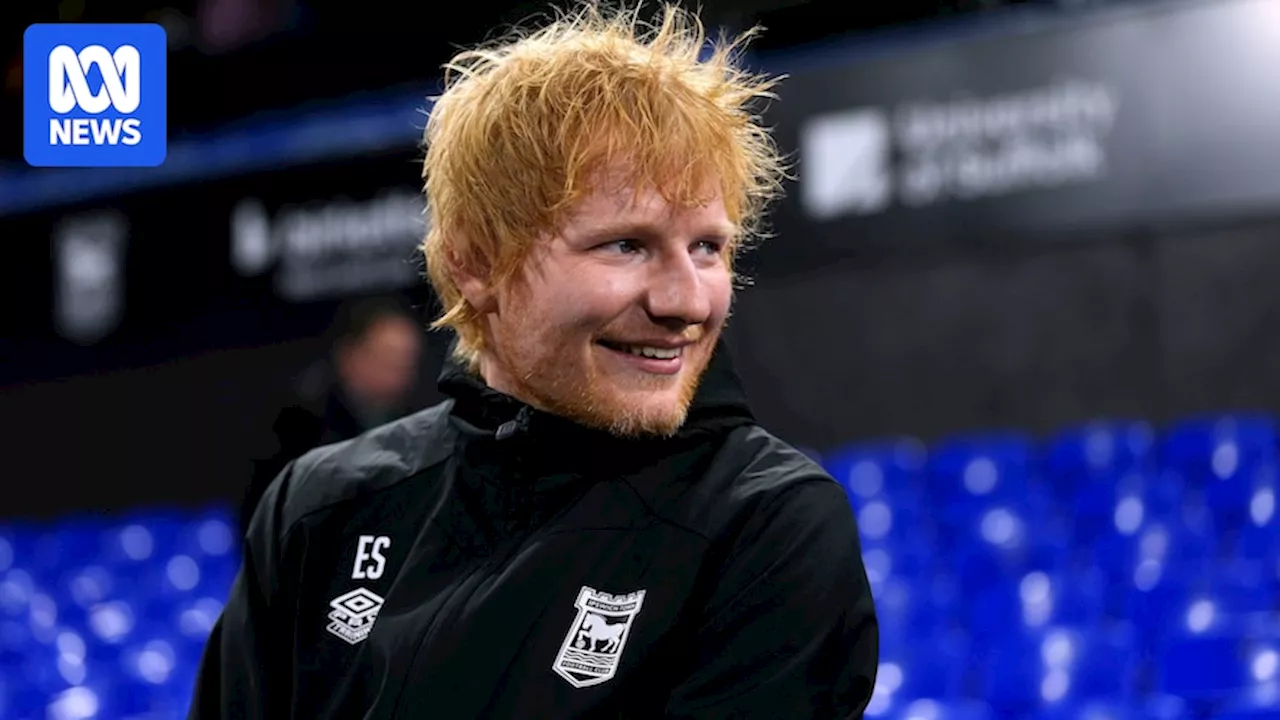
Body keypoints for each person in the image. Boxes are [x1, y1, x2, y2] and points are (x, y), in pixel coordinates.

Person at [191, 4, 878, 718]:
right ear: (477, 265)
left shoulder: (770, 527)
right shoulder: (320, 508)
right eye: (627, 244)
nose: (687, 300)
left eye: (708, 246)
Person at [239, 295, 424, 536]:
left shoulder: (421, 422)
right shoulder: (298, 425)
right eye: (389, 362)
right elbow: (265, 514)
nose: (400, 377)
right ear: (349, 357)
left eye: (407, 365)